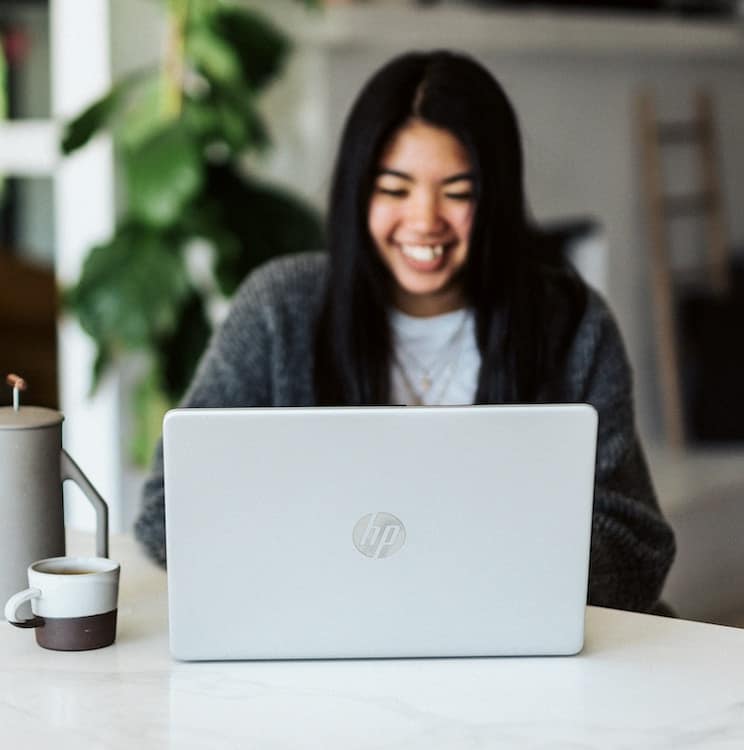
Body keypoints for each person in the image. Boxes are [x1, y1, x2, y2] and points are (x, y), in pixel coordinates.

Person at [135, 50, 676, 614]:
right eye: (395, 189)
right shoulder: (280, 310)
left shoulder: (572, 324)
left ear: (498, 197)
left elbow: (635, 545)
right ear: (356, 193)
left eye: (459, 192)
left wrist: (430, 571)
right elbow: (168, 512)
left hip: (510, 638)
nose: (424, 220)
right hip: (327, 629)